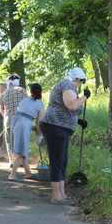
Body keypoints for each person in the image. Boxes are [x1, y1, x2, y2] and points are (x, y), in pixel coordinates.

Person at [39, 67, 91, 205]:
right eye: (81, 81)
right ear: (78, 79)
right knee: (57, 161)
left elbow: (65, 109)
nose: (81, 84)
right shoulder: (67, 85)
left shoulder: (68, 87)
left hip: (60, 127)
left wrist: (79, 121)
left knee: (62, 161)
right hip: (54, 126)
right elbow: (71, 105)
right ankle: (56, 196)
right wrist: (85, 97)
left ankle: (62, 194)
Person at [8, 83, 45, 181]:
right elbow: (39, 123)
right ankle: (12, 175)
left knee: (23, 149)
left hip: (15, 122)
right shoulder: (40, 104)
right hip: (24, 124)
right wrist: (39, 137)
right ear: (41, 91)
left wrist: (30, 125)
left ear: (30, 91)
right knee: (21, 152)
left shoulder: (24, 100)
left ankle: (28, 173)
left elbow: (24, 114)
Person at [0, 73, 27, 168]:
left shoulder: (4, 93)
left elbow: (1, 110)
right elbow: (27, 106)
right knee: (20, 141)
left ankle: (11, 161)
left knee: (9, 142)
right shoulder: (22, 90)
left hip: (8, 120)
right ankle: (19, 161)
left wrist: (6, 117)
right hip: (20, 120)